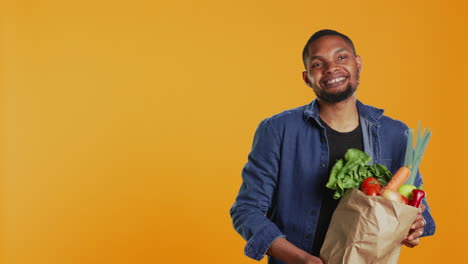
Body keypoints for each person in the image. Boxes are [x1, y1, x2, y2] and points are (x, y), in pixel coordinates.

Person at [229, 29, 436, 264]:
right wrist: (301, 259)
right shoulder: (278, 130)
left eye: (341, 57)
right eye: (318, 64)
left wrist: (415, 224)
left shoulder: (395, 133)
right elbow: (247, 211)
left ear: (358, 64)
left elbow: (418, 208)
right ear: (307, 77)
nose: (331, 68)